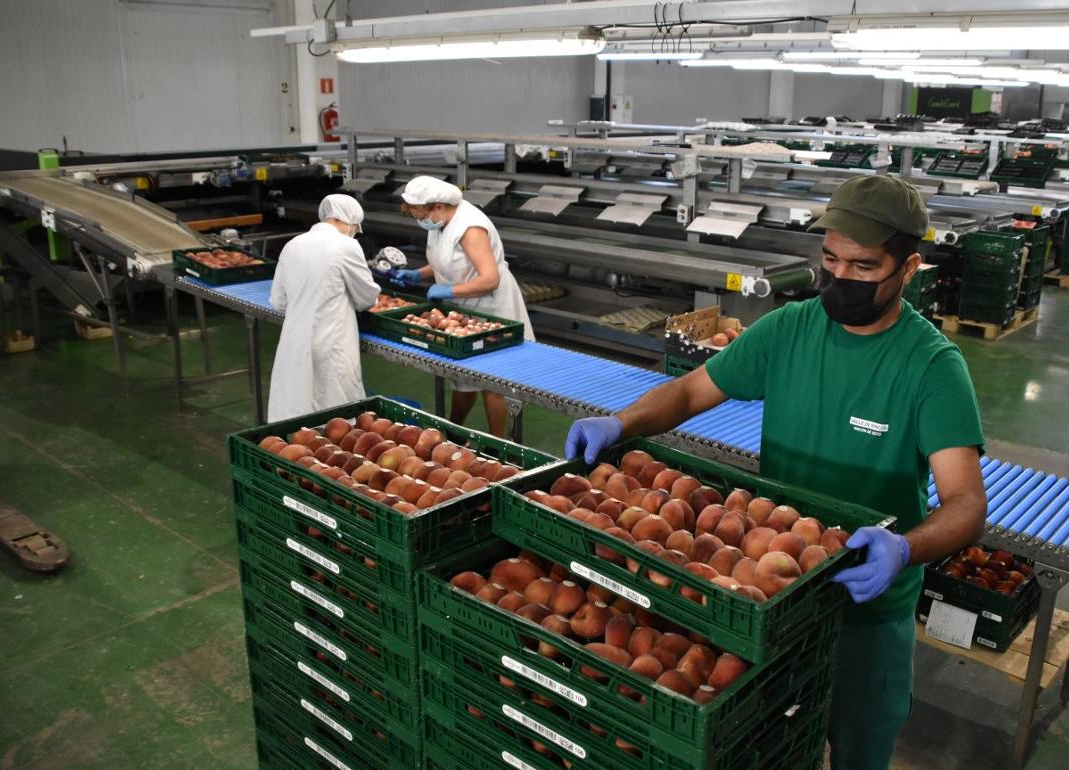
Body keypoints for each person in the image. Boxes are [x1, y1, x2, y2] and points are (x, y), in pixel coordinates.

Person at [564, 175, 988, 770]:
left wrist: (903, 547)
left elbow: (966, 502)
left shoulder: (932, 367)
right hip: (773, 595)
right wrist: (622, 422)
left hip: (864, 609)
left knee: (859, 749)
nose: (841, 279)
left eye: (864, 267)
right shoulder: (789, 330)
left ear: (909, 268)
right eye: (831, 259)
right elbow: (691, 393)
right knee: (770, 745)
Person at [394, 175, 534, 437]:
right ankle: (454, 431)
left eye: (420, 214)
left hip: (493, 308)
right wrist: (420, 274)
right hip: (464, 306)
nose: (419, 220)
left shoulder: (470, 227)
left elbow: (489, 278)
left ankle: (498, 445)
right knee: (463, 379)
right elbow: (448, 262)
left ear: (438, 206)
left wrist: (448, 290)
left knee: (493, 382)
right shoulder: (440, 223)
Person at [268, 194, 381, 422]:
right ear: (349, 220)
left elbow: (279, 301)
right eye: (355, 227)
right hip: (332, 341)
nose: (355, 232)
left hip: (294, 340)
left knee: (296, 410)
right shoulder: (347, 246)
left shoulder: (292, 245)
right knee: (337, 416)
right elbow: (366, 298)